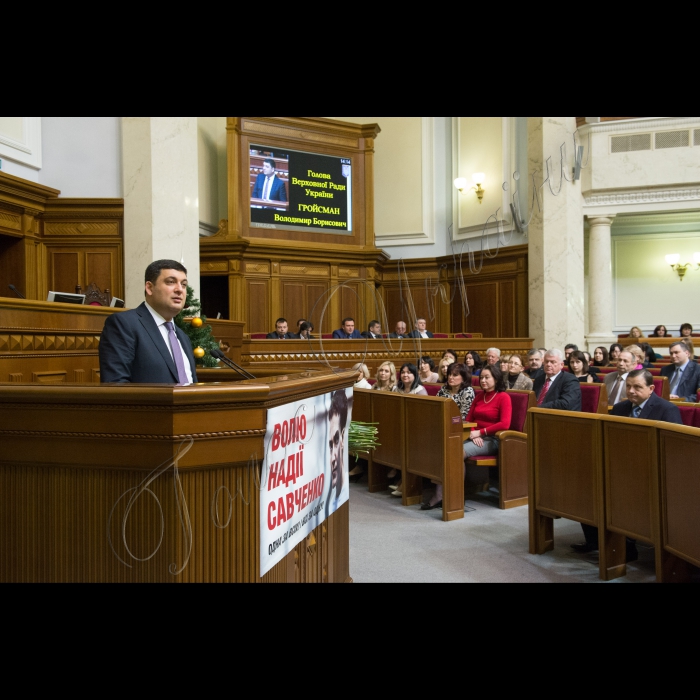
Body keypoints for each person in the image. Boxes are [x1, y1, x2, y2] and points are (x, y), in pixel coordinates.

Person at [573, 370, 683, 561]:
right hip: (620, 466)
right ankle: (596, 541)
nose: (631, 391)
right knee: (586, 484)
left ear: (651, 388)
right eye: (628, 386)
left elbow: (675, 449)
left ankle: (627, 545)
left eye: (637, 387)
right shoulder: (620, 408)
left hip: (652, 470)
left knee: (623, 491)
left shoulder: (667, 409)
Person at [423, 365, 512, 511]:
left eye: (487, 377)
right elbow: (468, 420)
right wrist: (471, 432)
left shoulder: (503, 397)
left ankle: (455, 496)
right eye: (482, 377)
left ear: (496, 379)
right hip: (475, 437)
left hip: (494, 439)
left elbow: (505, 424)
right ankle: (440, 494)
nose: (483, 380)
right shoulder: (479, 396)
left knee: (457, 451)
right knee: (447, 447)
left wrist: (480, 432)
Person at [99, 260, 198, 385]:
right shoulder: (124, 324)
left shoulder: (183, 337)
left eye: (183, 284)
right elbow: (115, 384)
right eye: (171, 282)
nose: (180, 289)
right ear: (149, 288)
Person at [326, 390, 348, 520]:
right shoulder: (331, 503)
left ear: (343, 437)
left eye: (336, 440)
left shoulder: (343, 498)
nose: (333, 457)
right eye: (329, 446)